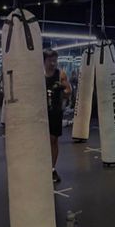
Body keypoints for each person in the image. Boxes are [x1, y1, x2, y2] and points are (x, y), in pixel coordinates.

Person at [44, 48, 71, 183]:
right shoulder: (38, 74)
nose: (53, 63)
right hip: (41, 113)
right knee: (42, 141)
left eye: (55, 60)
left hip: (55, 112)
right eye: (50, 60)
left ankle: (52, 169)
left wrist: (62, 88)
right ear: (44, 60)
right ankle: (41, 167)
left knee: (53, 140)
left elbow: (68, 92)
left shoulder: (61, 74)